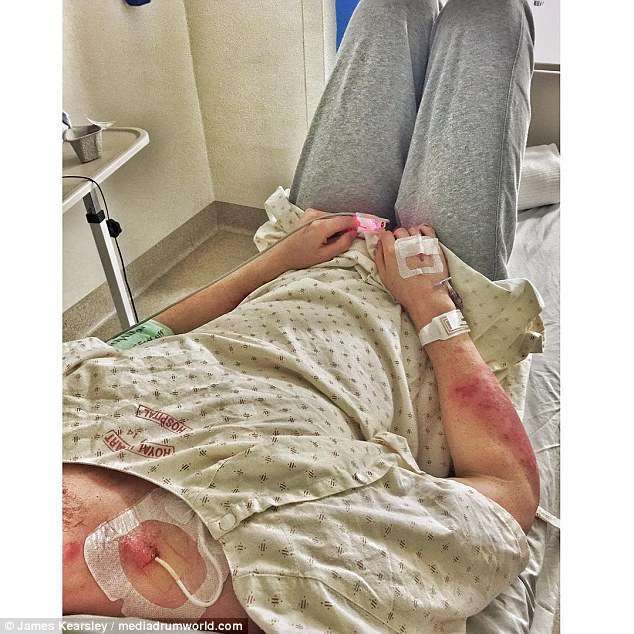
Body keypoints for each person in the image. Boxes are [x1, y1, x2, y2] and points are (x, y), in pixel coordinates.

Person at [63, 0, 539, 630]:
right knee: (491, 17)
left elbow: (143, 338)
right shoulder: (298, 584)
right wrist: (434, 308)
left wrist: (273, 262)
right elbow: (506, 496)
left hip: (306, 251)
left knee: (389, 8)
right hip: (428, 281)